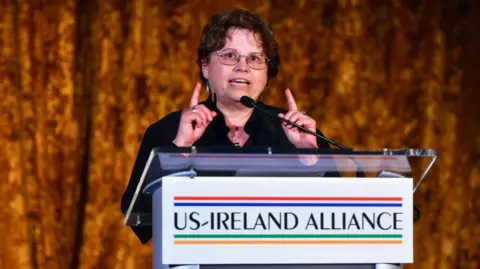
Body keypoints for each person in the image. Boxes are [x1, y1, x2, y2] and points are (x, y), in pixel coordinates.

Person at [120, 8, 334, 244]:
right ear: (205, 66)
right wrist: (179, 150)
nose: (243, 67)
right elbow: (139, 217)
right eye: (230, 56)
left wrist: (311, 158)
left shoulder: (298, 132)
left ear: (267, 73)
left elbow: (340, 218)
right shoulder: (168, 131)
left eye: (254, 58)